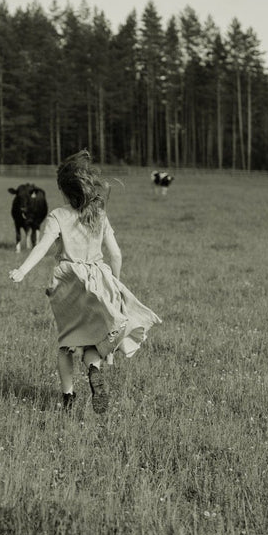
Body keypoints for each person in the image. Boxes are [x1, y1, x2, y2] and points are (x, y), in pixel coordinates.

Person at [9, 150, 161, 414]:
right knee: (92, 342)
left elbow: (42, 247)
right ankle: (93, 368)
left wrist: (22, 270)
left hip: (68, 283)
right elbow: (116, 253)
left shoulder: (58, 215)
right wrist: (114, 280)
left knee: (66, 343)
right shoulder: (99, 213)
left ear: (64, 190)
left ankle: (68, 398)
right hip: (98, 280)